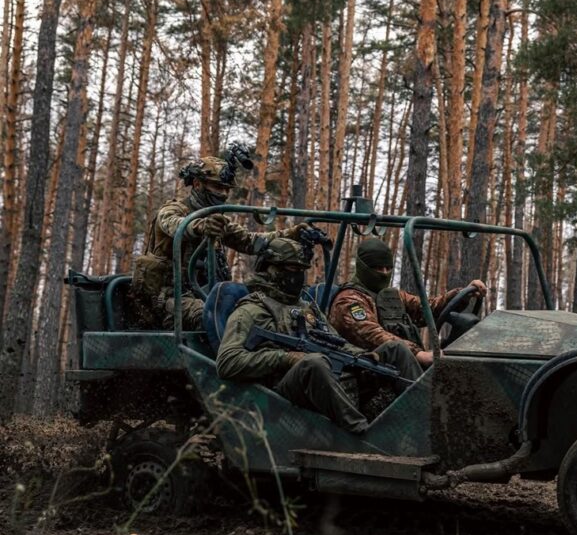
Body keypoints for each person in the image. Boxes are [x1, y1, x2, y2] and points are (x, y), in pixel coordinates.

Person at [216, 238, 422, 434]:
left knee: (395, 349)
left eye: (301, 270)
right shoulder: (251, 309)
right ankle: (363, 435)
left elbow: (334, 342)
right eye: (291, 269)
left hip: (331, 382)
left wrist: (361, 356)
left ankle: (424, 419)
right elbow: (227, 361)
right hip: (283, 394)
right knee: (314, 363)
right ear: (271, 269)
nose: (297, 276)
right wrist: (285, 358)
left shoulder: (307, 308)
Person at [131, 150, 305, 329]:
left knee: (254, 311)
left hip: (203, 292)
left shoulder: (216, 220)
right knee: (212, 316)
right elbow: (176, 225)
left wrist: (293, 233)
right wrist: (200, 226)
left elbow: (251, 242)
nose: (223, 194)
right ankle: (229, 356)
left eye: (226, 189)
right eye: (217, 187)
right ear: (197, 184)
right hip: (169, 296)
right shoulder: (173, 210)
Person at [329, 238, 487, 367]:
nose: (384, 273)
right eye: (378, 268)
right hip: (367, 371)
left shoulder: (392, 297)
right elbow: (371, 334)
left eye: (388, 268)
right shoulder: (349, 300)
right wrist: (417, 353)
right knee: (397, 349)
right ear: (362, 267)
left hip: (400, 368)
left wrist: (463, 294)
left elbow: (427, 309)